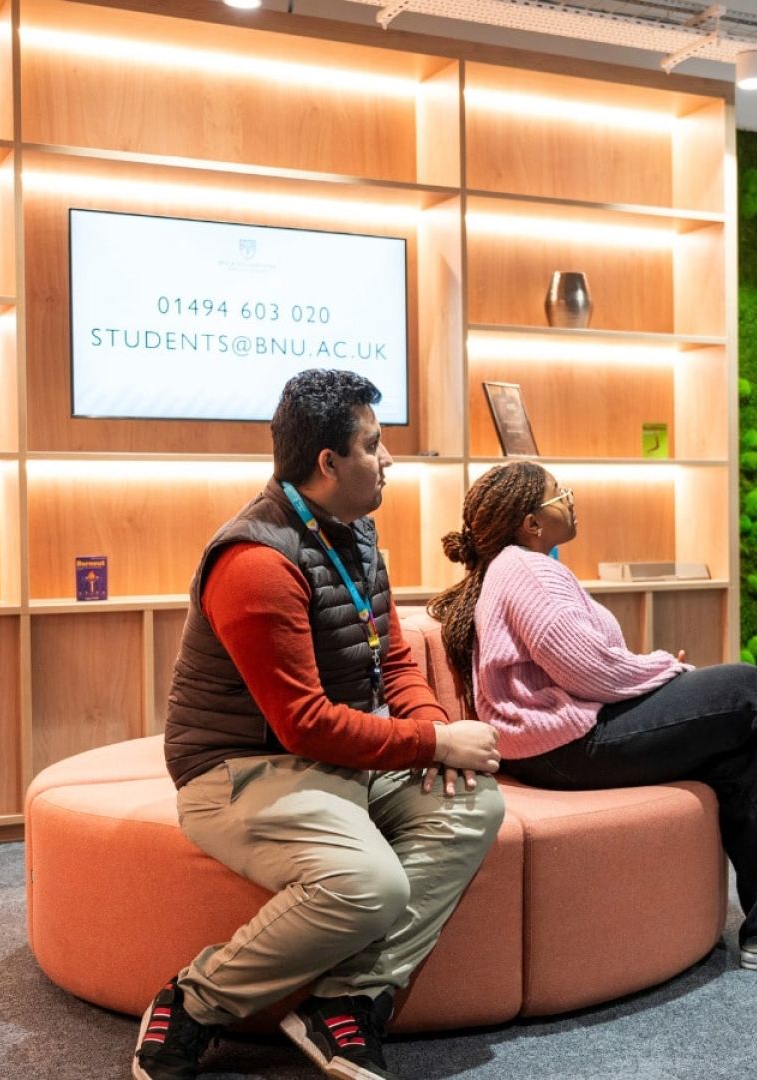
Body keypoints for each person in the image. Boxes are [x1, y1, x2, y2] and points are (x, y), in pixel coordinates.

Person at [136, 369, 506, 1080]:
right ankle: (193, 1003)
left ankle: (346, 1001)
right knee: (370, 884)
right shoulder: (255, 561)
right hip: (242, 770)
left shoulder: (357, 533)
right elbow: (303, 723)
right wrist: (436, 740)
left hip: (337, 758)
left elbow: (393, 661)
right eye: (373, 444)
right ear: (328, 463)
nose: (388, 459)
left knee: (473, 804)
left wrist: (433, 734)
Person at [426, 462, 757, 973]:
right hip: (566, 745)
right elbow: (586, 667)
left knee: (751, 754)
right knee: (745, 685)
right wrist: (664, 669)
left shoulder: (516, 567)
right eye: (558, 493)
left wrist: (651, 674)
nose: (570, 498)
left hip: (559, 743)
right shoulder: (525, 568)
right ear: (531, 523)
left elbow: (586, 666)